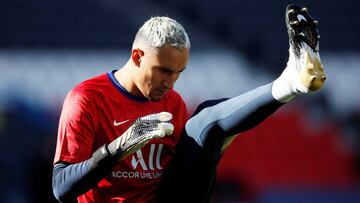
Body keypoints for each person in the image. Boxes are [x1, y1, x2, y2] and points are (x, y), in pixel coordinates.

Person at [52, 4, 326, 203]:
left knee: (207, 119)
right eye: (164, 71)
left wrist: (215, 147)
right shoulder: (86, 99)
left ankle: (291, 82)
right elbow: (62, 188)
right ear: (137, 56)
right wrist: (118, 148)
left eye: (178, 73)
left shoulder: (172, 102)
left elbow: (185, 173)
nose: (171, 83)